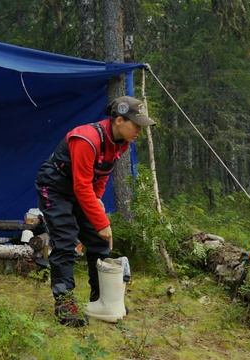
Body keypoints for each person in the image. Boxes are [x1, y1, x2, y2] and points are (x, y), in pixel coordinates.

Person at [35, 95, 155, 327]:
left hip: (81, 189)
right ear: (119, 120)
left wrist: (96, 207)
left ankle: (102, 300)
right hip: (55, 186)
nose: (139, 130)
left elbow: (101, 175)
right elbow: (82, 186)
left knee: (98, 242)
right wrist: (102, 222)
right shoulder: (86, 139)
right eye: (136, 124)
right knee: (65, 239)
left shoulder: (122, 143)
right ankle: (65, 303)